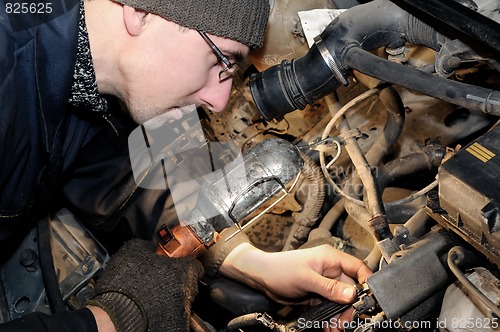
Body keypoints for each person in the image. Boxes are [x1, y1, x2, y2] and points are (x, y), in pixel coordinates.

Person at [0, 0, 372, 331]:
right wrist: (108, 320)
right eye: (221, 60)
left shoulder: (96, 83)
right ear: (140, 11)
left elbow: (125, 182)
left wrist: (246, 261)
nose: (220, 101)